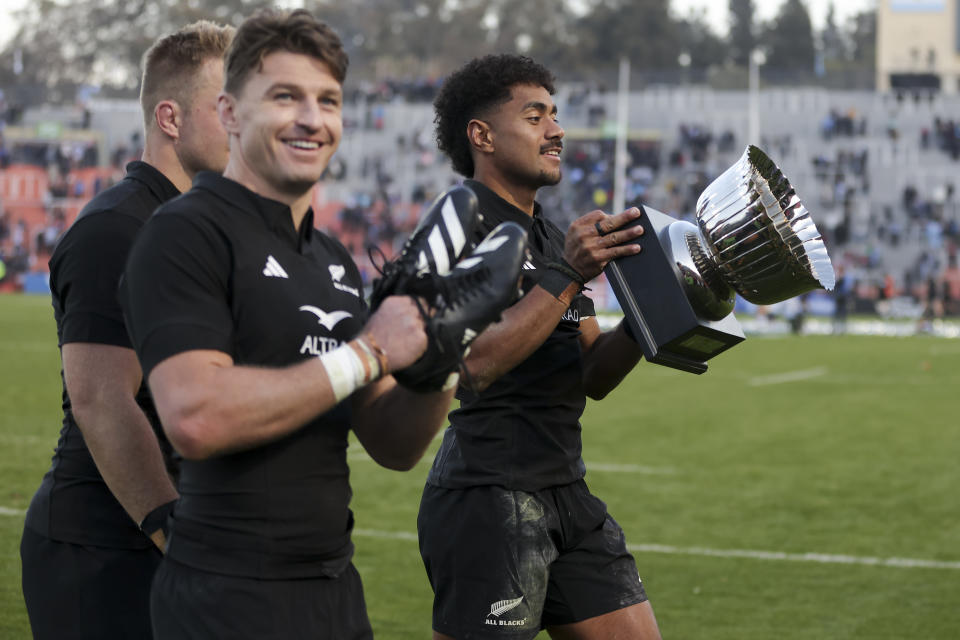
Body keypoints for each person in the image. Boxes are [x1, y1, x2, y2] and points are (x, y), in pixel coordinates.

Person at [119, 10, 521, 639]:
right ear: (230, 113)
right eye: (285, 97)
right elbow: (196, 416)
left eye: (327, 100)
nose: (312, 117)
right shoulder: (183, 233)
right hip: (226, 596)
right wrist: (368, 351)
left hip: (333, 590)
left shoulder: (331, 258)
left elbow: (394, 445)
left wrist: (441, 358)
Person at [417, 54, 664, 639]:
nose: (556, 130)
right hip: (488, 498)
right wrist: (566, 274)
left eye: (555, 115)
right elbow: (471, 366)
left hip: (566, 490)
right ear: (482, 135)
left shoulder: (551, 236)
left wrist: (654, 313)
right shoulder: (457, 226)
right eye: (535, 116)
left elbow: (594, 374)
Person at [19, 21, 234, 639]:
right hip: (105, 547)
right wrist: (176, 531)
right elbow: (101, 401)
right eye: (226, 107)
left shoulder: (202, 226)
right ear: (171, 118)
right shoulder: (117, 227)